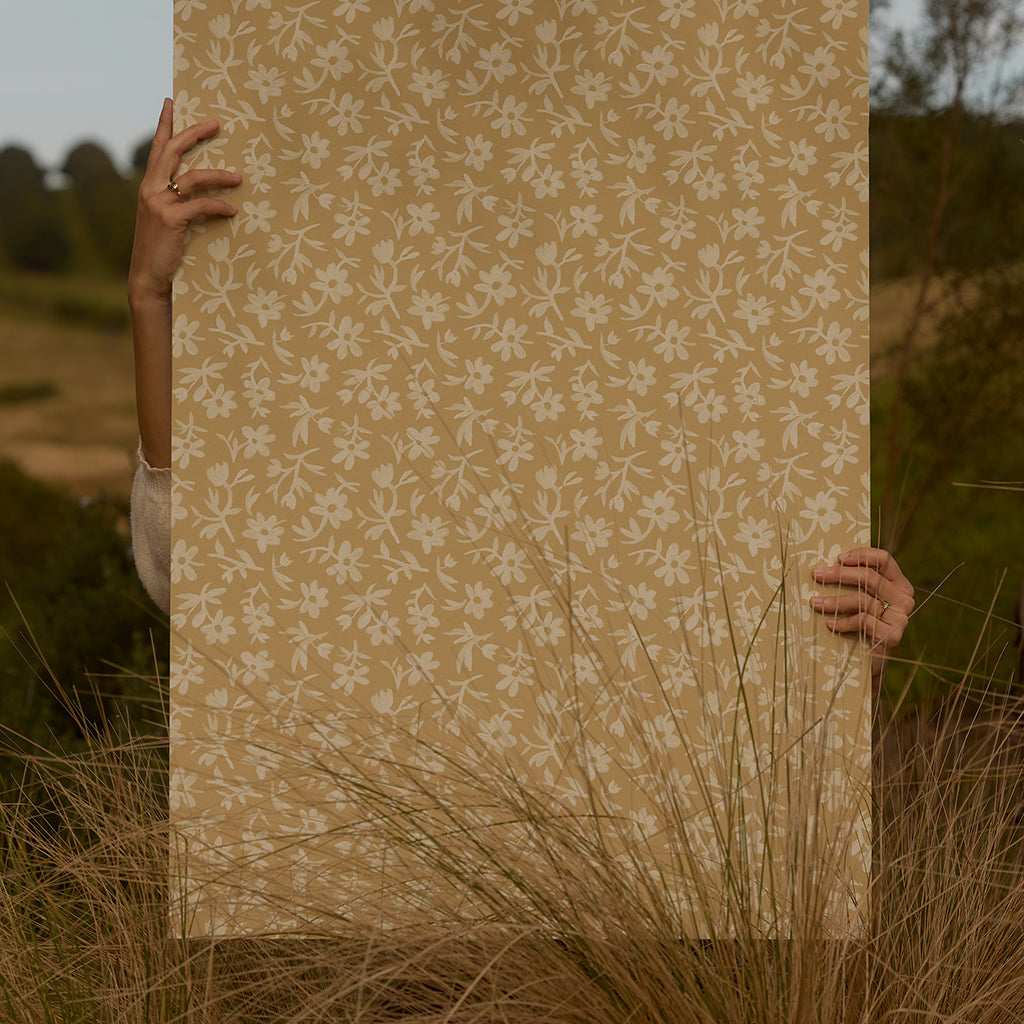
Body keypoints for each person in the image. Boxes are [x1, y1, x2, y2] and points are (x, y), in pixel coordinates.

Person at [128, 100, 915, 697]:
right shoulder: (356, 430)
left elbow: (748, 716)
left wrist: (850, 660)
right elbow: (185, 573)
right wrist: (150, 298)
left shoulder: (709, 409)